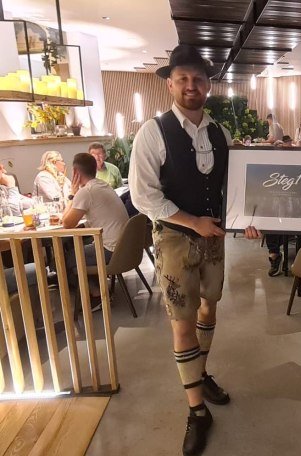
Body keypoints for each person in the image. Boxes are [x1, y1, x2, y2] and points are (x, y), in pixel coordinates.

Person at [129, 44, 233, 456]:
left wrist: (249, 216)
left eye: (199, 79)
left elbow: (234, 188)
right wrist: (193, 222)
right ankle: (196, 411)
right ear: (170, 84)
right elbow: (143, 195)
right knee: (182, 323)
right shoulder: (153, 132)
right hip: (174, 240)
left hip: (214, 238)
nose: (192, 85)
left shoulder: (221, 133)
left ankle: (200, 374)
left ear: (208, 85)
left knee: (209, 306)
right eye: (183, 78)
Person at [62, 153, 128, 302]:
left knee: (63, 259)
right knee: (80, 248)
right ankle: (98, 288)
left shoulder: (86, 192)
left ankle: (96, 296)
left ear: (75, 172)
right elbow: (100, 217)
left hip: (111, 251)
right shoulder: (103, 185)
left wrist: (72, 195)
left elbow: (66, 224)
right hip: (125, 247)